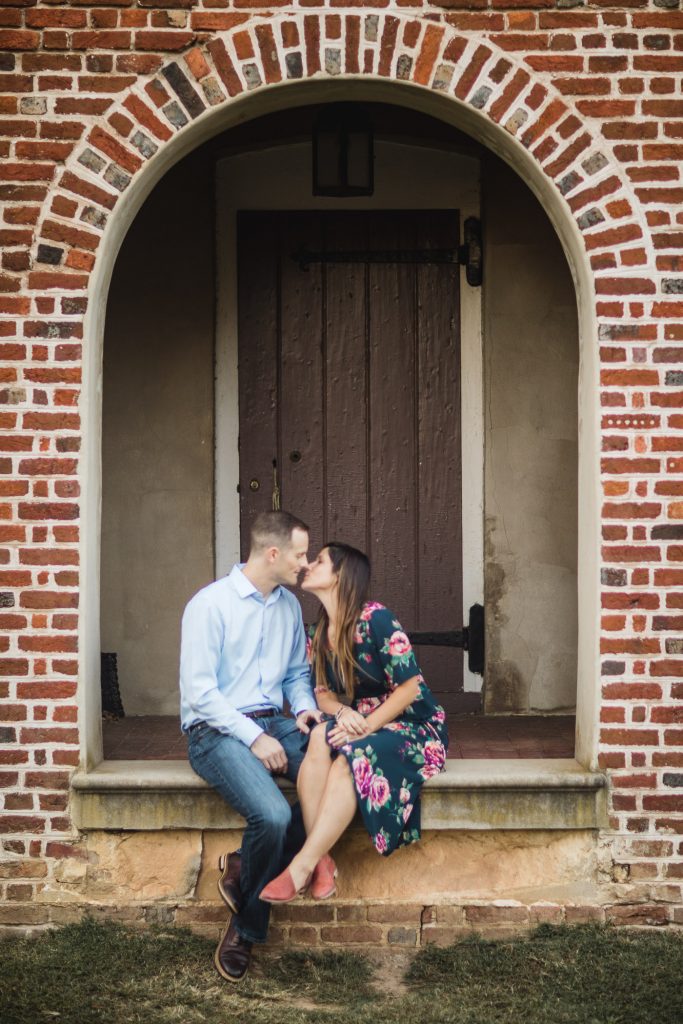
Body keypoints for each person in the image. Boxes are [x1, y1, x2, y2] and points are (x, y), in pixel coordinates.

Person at [259, 542, 449, 904]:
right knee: (317, 738)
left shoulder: (376, 618)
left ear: (341, 575)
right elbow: (323, 695)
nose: (309, 565)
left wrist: (366, 725)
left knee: (351, 757)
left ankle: (301, 866)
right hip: (364, 720)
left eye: (319, 561)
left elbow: (411, 689)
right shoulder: (320, 633)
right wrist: (345, 713)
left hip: (414, 726)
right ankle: (323, 862)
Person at [179, 510, 324, 983]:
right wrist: (254, 737)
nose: (306, 564)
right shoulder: (210, 605)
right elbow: (201, 695)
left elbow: (297, 676)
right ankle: (246, 927)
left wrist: (303, 709)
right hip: (214, 731)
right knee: (275, 815)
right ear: (273, 553)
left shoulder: (288, 607)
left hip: (274, 723)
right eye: (301, 555)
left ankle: (245, 867)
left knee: (346, 780)